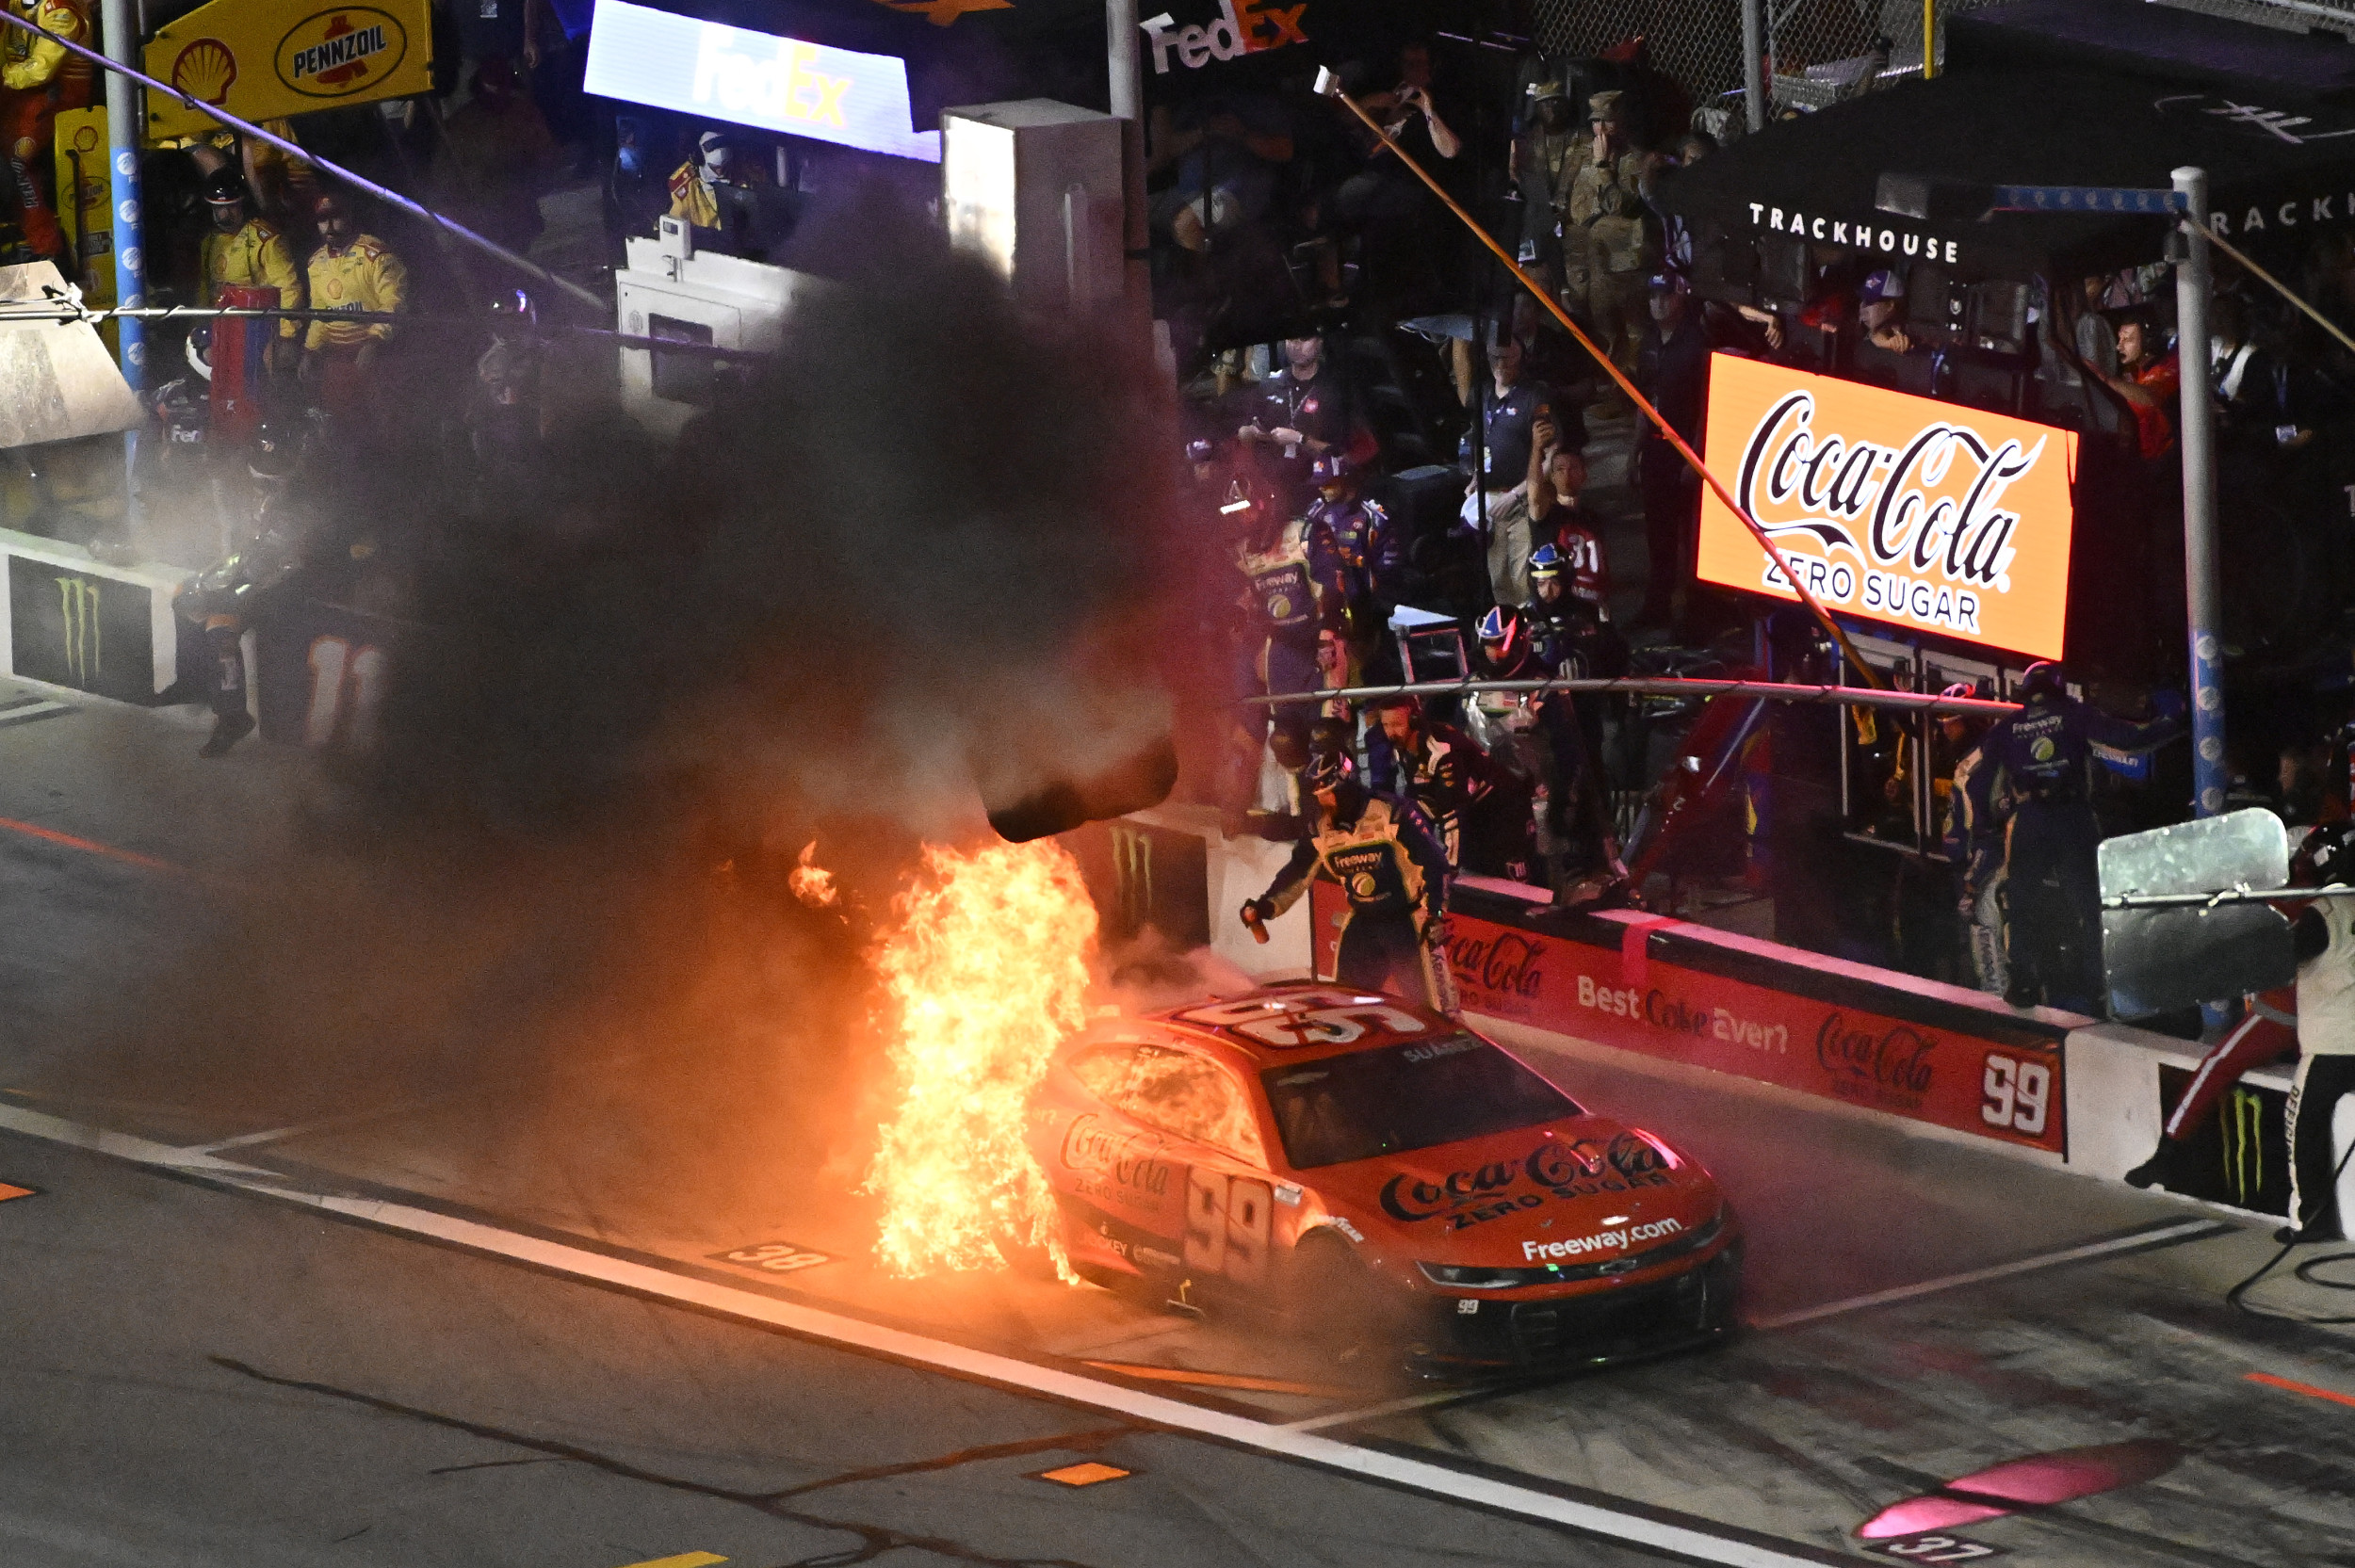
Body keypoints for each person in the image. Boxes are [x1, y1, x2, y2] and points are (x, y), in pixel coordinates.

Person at [1965, 662, 2183, 1013]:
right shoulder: (2074, 714)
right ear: (2058, 687)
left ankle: (2023, 982)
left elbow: (1978, 782)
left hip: (2029, 821)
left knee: (2023, 907)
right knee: (2090, 906)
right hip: (2072, 818)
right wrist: (2174, 720)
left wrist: (1987, 826)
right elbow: (2131, 741)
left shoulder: (2007, 728)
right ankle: (2100, 988)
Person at [1241, 751, 1453, 1010]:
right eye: (1318, 796)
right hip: (1362, 920)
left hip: (1407, 921)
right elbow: (1297, 871)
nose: (1324, 803)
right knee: (1344, 1005)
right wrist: (1264, 907)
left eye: (1329, 794)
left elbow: (1436, 863)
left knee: (1429, 1009)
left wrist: (1437, 913)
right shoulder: (1320, 828)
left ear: (1347, 789)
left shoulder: (1393, 812)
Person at [181, 424, 310, 756]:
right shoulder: (240, 485)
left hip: (294, 583)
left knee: (218, 614)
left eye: (277, 462)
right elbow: (242, 549)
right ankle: (228, 711)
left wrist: (221, 584)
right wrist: (209, 578)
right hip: (258, 576)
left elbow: (273, 556)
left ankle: (231, 716)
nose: (266, 471)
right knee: (194, 603)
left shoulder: (304, 494)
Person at [2281, 820, 2355, 1243]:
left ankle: (2310, 1220)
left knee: (2302, 1131)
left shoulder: (2324, 912)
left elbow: (2285, 956)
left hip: (2328, 1049)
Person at [1561, 90, 1653, 387]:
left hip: (1619, 258)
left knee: (1623, 329)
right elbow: (1564, 197)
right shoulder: (1580, 152)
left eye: (1608, 121)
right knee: (1587, 317)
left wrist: (1603, 168)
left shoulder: (1634, 160)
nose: (1601, 129)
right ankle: (1599, 382)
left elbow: (1619, 205)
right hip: (1584, 253)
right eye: (1596, 121)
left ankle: (1625, 392)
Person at [1633, 271, 1709, 632]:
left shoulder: (1695, 342)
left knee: (1691, 540)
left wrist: (1694, 457)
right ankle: (1657, 606)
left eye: (1665, 295)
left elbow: (1705, 406)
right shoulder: (1648, 342)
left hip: (1684, 451)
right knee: (1657, 536)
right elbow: (1642, 400)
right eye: (1653, 296)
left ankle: (1694, 615)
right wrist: (1635, 452)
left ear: (1680, 298)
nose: (1658, 303)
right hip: (1654, 450)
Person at [300, 193, 409, 424]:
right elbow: (319, 314)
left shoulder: (375, 254)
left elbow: (395, 303)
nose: (328, 226)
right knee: (339, 428)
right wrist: (309, 352)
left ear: (348, 216)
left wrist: (373, 343)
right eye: (322, 219)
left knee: (387, 427)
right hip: (337, 362)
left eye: (335, 218)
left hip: (379, 359)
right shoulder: (316, 262)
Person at [0, 0, 91, 264]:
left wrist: (4, 78)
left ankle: (44, 247)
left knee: (17, 160)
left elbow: (42, 68)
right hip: (19, 90)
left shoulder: (61, 9)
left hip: (59, 93)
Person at [1367, 694, 1495, 871]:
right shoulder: (1400, 746)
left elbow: (1452, 806)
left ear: (1414, 721)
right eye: (1386, 725)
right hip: (1456, 796)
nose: (1391, 732)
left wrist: (1448, 868)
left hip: (1492, 800)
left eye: (1397, 724)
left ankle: (1451, 870)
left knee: (1452, 822)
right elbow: (1416, 792)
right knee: (1406, 812)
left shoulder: (1441, 749)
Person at [1941, 684, 2011, 997]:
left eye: (1950, 722)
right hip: (1983, 863)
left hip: (1992, 866)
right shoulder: (1978, 756)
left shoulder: (1980, 765)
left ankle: (1998, 1005)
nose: (1945, 731)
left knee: (1985, 930)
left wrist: (1974, 880)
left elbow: (1989, 831)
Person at [200, 168, 304, 374]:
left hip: (260, 328)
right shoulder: (209, 243)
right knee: (197, 348)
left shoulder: (266, 241)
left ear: (243, 205)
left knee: (266, 365)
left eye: (231, 208)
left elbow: (290, 288)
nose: (224, 215)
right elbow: (205, 290)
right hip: (222, 326)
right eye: (218, 209)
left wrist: (285, 336)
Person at [1238, 334, 1359, 509]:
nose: (1296, 345)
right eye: (1290, 339)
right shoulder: (1269, 384)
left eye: (1304, 339)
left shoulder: (1335, 388)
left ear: (1320, 341)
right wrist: (1253, 433)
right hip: (1271, 492)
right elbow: (1243, 433)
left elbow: (1345, 456)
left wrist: (1300, 438)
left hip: (1320, 493)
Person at [1303, 454, 1404, 644]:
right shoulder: (1314, 512)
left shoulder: (1373, 517)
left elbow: (1389, 569)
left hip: (1367, 609)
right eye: (1319, 484)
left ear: (1345, 479)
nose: (1321, 489)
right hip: (1326, 607)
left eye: (1328, 484)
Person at [1511, 80, 1580, 286]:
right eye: (1544, 103)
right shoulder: (1527, 142)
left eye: (1555, 102)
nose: (1551, 108)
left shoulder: (1581, 139)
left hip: (1567, 217)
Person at [2103, 311, 2181, 461]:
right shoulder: (2134, 369)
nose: (2119, 346)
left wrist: (2104, 379)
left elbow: (2150, 396)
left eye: (2128, 340)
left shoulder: (2170, 365)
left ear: (2148, 341)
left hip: (2165, 459)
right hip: (2139, 454)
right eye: (2120, 339)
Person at [668, 128, 735, 230]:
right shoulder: (684, 184)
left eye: (724, 167)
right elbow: (674, 227)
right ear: (699, 159)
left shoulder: (743, 174)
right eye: (715, 168)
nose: (720, 173)